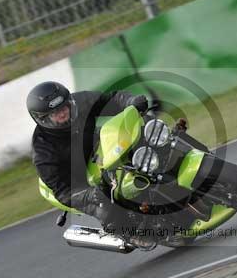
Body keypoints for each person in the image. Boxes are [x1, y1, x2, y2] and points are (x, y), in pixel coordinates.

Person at [26, 81, 150, 246]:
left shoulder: (81, 102)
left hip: (98, 148)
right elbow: (63, 191)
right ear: (43, 119)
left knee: (144, 133)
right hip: (76, 180)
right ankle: (130, 234)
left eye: (63, 107)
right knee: (104, 202)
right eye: (55, 113)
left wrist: (131, 102)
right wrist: (89, 194)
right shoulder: (43, 151)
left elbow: (110, 100)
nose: (62, 113)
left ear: (69, 102)